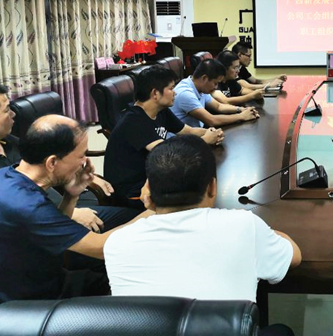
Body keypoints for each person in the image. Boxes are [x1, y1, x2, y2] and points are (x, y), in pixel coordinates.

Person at [104, 135, 301, 336]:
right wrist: (260, 230)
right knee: (281, 331)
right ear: (212, 187)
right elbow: (294, 256)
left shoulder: (117, 243)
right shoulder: (244, 226)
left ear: (148, 190)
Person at [0, 115, 148, 305]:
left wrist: (71, 196)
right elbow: (102, 248)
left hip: (38, 275)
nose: (84, 162)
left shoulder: (6, 175)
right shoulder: (27, 206)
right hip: (25, 302)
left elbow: (48, 227)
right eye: (81, 156)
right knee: (131, 280)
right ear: (52, 163)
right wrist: (153, 213)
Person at [0, 81, 137, 232]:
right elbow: (7, 212)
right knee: (132, 225)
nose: (13, 114)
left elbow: (52, 160)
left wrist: (84, 177)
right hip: (40, 222)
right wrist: (72, 214)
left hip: (61, 206)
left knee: (131, 218)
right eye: (6, 110)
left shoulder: (9, 142)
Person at [104, 66, 223, 208]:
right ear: (155, 93)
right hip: (133, 192)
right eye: (171, 88)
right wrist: (205, 141)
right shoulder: (134, 121)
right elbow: (167, 154)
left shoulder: (161, 111)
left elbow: (189, 131)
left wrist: (211, 132)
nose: (175, 93)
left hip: (155, 178)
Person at [171, 58, 259, 129]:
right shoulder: (186, 93)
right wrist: (241, 116)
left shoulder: (199, 87)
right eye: (215, 83)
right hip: (180, 141)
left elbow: (218, 106)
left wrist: (242, 109)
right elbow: (211, 120)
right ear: (204, 78)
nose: (216, 87)